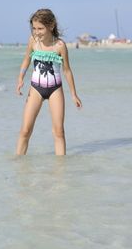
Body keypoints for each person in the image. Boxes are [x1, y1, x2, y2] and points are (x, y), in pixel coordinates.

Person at [15, 9, 82, 155]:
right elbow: (26, 60)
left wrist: (73, 94)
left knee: (59, 131)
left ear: (51, 26)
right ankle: (18, 165)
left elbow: (67, 71)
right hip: (35, 89)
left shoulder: (59, 46)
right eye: (34, 28)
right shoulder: (33, 41)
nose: (36, 32)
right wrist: (20, 78)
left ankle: (61, 169)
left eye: (40, 28)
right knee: (25, 130)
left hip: (55, 90)